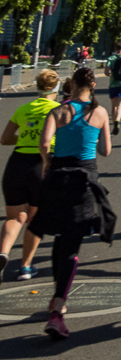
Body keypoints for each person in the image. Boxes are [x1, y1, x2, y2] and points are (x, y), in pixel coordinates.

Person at [32, 66, 114, 341]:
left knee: (59, 238)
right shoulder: (99, 112)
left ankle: (57, 297)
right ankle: (57, 307)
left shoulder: (58, 111)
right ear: (92, 84)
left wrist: (47, 163)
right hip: (84, 178)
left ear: (72, 84)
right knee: (72, 243)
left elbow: (45, 144)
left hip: (58, 176)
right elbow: (106, 150)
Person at [0, 70, 60, 284]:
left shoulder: (23, 108)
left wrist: (25, 138)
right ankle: (25, 266)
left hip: (17, 163)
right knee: (35, 219)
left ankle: (3, 253)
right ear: (56, 87)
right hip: (41, 163)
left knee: (14, 217)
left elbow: (5, 138)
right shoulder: (59, 109)